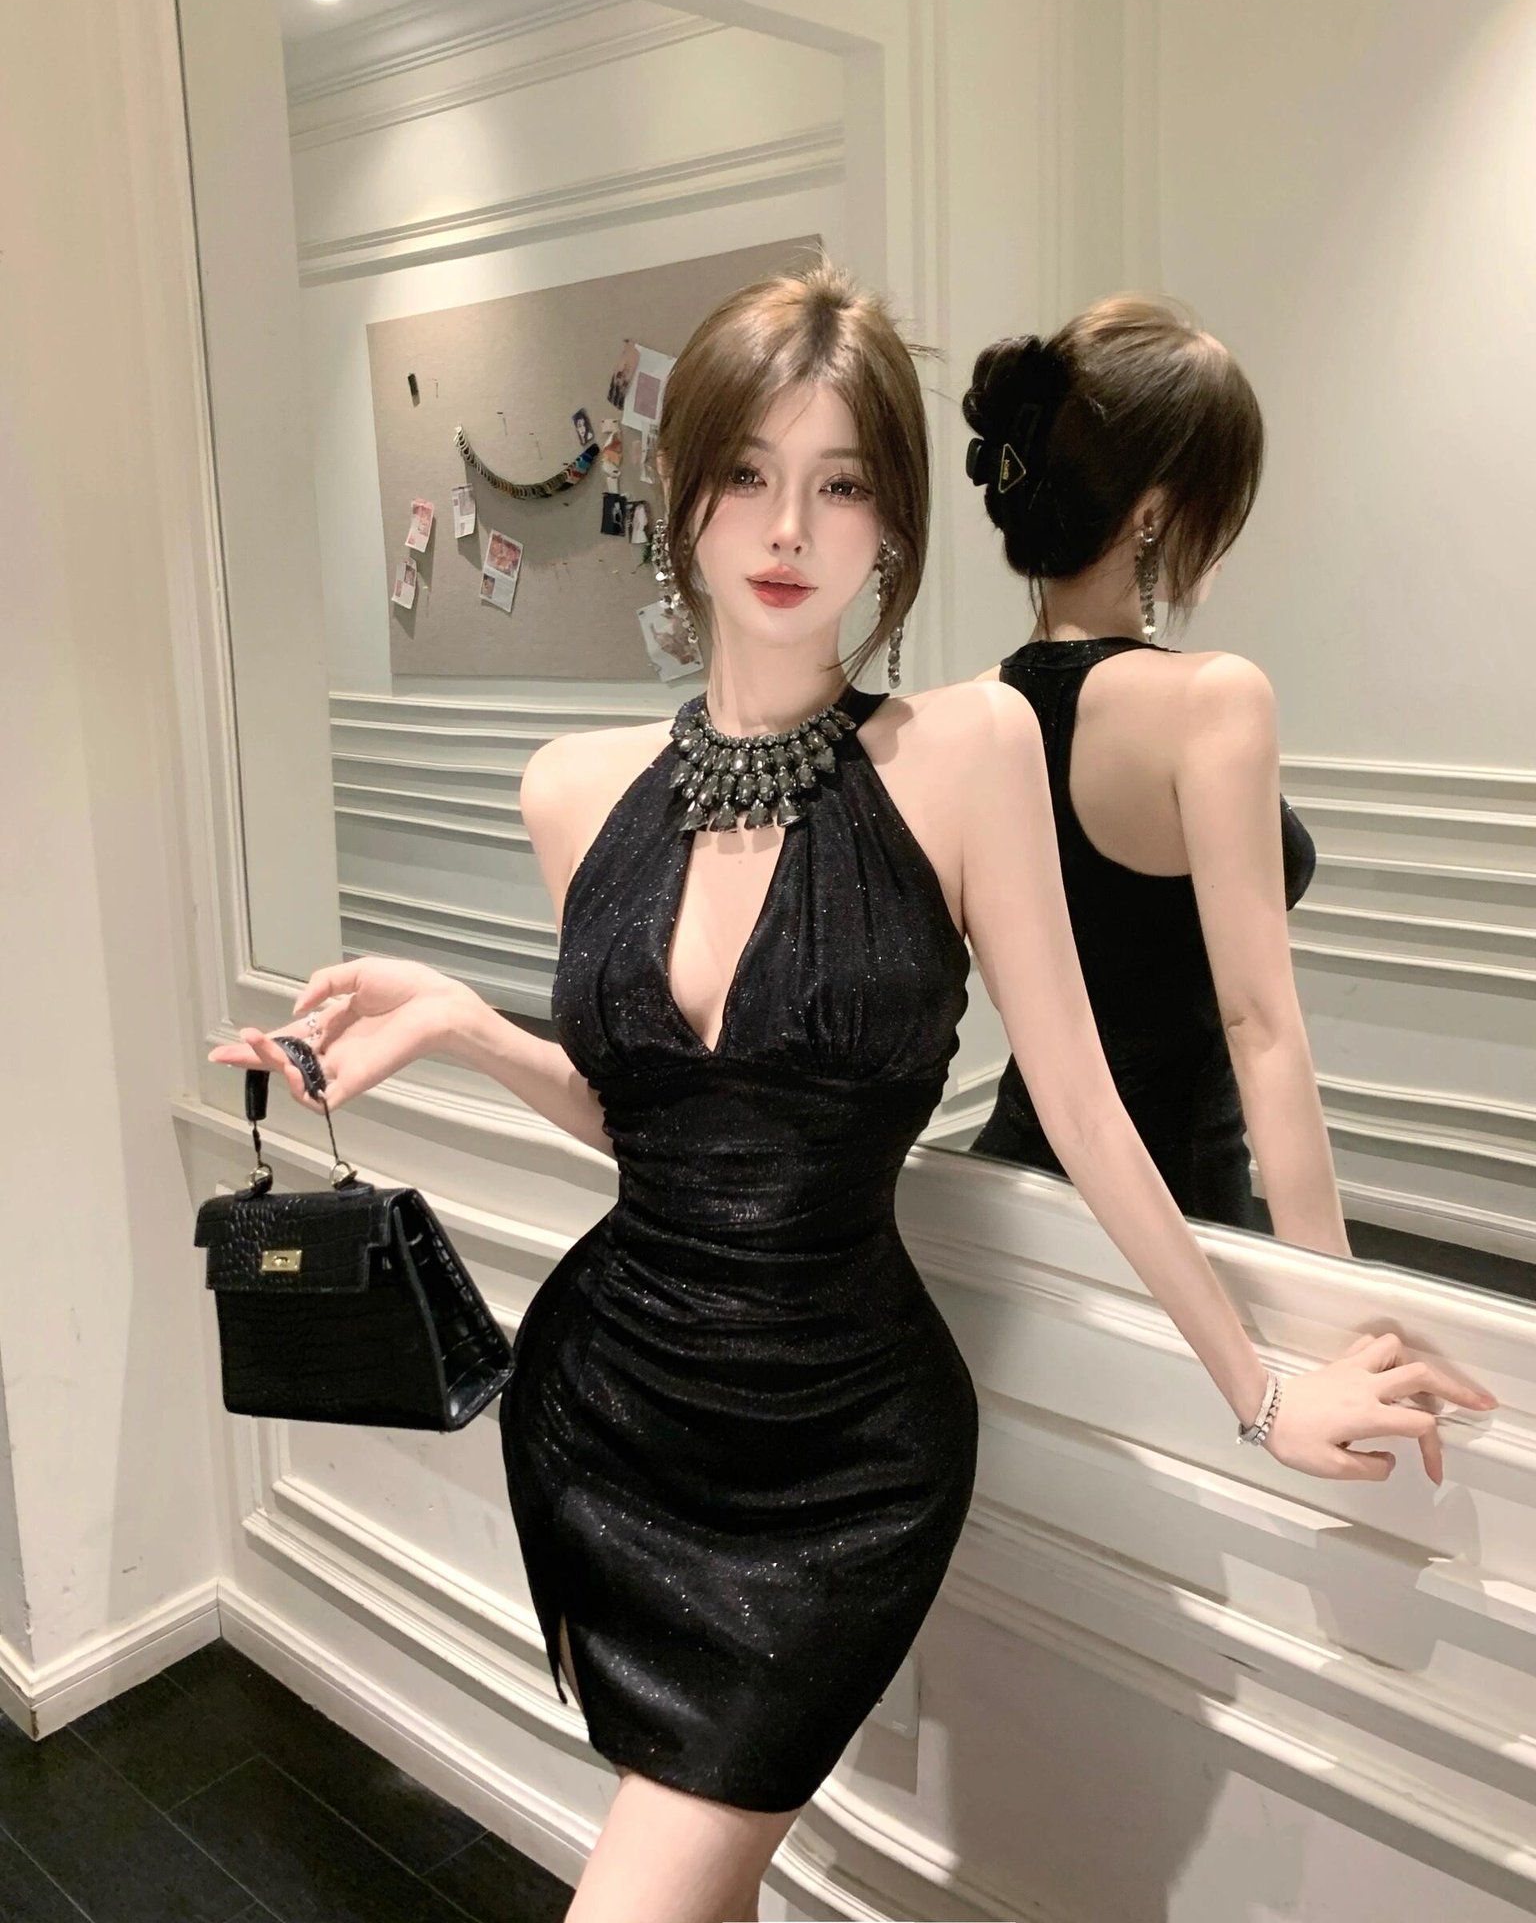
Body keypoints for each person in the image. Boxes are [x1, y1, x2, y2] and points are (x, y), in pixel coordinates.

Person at [211, 264, 1492, 1923]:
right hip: (608, 1423)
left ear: (893, 519)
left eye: (839, 482)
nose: (785, 526)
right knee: (713, 1883)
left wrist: (1265, 1382)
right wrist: (466, 1021)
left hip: (843, 1465)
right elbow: (652, 1129)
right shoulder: (570, 791)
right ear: (681, 493)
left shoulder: (968, 751)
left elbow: (1086, 1107)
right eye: (747, 471)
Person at [964, 298, 1351, 1252]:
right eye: (1221, 500)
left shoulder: (968, 711)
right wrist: (1339, 1295)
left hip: (1017, 1193)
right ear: (1158, 511)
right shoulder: (1212, 700)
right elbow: (1258, 1025)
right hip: (1178, 1206)